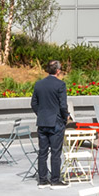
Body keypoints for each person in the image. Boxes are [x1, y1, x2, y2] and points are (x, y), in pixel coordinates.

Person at [31, 60, 71, 189]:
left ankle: (42, 180)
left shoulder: (38, 84)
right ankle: (55, 180)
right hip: (56, 122)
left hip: (42, 122)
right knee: (55, 152)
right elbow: (63, 105)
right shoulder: (60, 85)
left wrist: (41, 114)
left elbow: (34, 104)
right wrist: (66, 116)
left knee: (42, 152)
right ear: (58, 71)